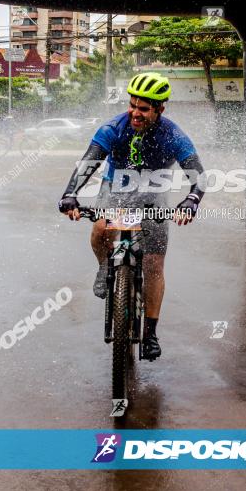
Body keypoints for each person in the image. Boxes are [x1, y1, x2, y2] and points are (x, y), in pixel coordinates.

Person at [58, 72, 205, 361]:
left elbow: (198, 176)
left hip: (154, 194)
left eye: (144, 108)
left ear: (160, 109)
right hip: (116, 189)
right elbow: (89, 163)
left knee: (153, 265)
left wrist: (190, 200)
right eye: (132, 105)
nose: (135, 113)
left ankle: (150, 333)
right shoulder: (113, 127)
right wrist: (70, 193)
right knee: (101, 228)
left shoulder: (173, 135)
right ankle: (104, 267)